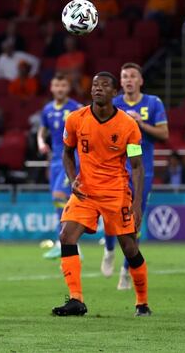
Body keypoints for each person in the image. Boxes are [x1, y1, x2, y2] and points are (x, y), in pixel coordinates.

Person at [52, 72, 151, 317]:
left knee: (129, 248)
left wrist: (137, 204)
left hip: (116, 192)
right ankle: (76, 300)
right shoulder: (75, 119)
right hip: (85, 191)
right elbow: (67, 152)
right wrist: (72, 176)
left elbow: (137, 166)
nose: (98, 89)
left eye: (105, 85)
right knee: (66, 236)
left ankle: (142, 302)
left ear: (114, 92)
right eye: (95, 84)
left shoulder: (128, 124)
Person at [102, 63, 168, 287]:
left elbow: (164, 133)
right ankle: (109, 249)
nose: (129, 80)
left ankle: (125, 270)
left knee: (134, 221)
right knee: (112, 218)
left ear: (140, 80)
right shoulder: (114, 104)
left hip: (142, 171)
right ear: (120, 82)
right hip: (115, 169)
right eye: (125, 77)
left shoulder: (153, 103)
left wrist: (140, 124)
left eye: (133, 76)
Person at [37, 74, 82, 259]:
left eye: (63, 85)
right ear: (51, 88)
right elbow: (42, 130)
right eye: (57, 85)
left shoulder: (76, 108)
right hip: (55, 160)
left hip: (72, 158)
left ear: (68, 88)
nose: (60, 89)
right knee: (59, 201)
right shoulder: (47, 109)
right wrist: (40, 142)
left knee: (59, 195)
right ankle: (69, 243)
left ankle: (65, 241)